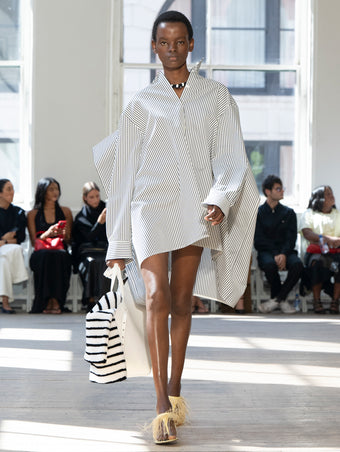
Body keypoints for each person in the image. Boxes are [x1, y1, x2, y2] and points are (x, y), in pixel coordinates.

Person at [93, 11, 259, 444]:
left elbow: (230, 157)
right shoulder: (141, 104)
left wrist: (220, 199)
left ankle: (175, 388)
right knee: (155, 297)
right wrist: (118, 241)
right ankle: (160, 407)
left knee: (183, 301)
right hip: (149, 206)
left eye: (179, 41)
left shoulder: (215, 97)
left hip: (194, 209)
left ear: (190, 44)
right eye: (163, 42)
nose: (171, 49)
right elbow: (125, 174)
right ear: (154, 47)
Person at [254, 175, 303, 314]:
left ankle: (276, 300)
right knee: (269, 265)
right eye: (278, 188)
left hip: (286, 252)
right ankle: (281, 300)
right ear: (268, 191)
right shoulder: (259, 213)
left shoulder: (289, 213)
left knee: (298, 265)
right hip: (267, 252)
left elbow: (291, 238)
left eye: (282, 188)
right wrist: (276, 254)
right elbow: (259, 239)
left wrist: (283, 254)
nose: (282, 191)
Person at [27, 177, 73, 314]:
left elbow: (69, 241)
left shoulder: (66, 211)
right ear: (43, 192)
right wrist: (47, 233)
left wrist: (64, 234)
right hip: (41, 253)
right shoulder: (32, 214)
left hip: (60, 251)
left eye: (57, 189)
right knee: (46, 256)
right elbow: (33, 242)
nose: (55, 192)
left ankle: (57, 301)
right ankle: (46, 301)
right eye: (51, 189)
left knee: (61, 256)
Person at [300, 185, 340, 314]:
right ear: (318, 199)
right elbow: (308, 234)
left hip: (336, 251)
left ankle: (335, 301)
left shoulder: (337, 214)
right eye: (327, 194)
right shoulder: (309, 214)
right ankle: (317, 301)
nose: (331, 196)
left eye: (331, 193)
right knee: (317, 263)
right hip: (316, 252)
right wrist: (328, 239)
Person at [72, 181, 110, 311]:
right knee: (91, 262)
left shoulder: (108, 210)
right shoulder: (81, 217)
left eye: (97, 196)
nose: (95, 200)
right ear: (85, 198)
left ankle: (106, 299)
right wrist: (99, 223)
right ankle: (91, 299)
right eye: (91, 197)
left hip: (105, 249)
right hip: (87, 252)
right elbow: (87, 238)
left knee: (106, 261)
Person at [0, 179, 28, 313]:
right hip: (10, 249)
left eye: (13, 188)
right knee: (14, 250)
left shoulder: (19, 212)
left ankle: (5, 302)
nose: (13, 192)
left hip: (6, 251)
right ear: (0, 193)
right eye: (9, 189)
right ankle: (5, 303)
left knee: (4, 261)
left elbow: (20, 237)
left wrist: (3, 241)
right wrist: (6, 240)